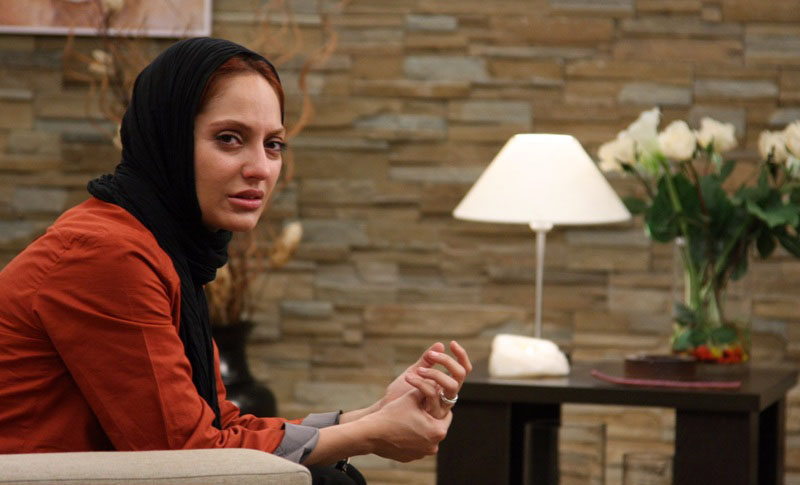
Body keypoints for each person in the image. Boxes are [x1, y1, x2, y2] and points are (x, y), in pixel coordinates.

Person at [0, 37, 472, 483]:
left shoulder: (159, 247)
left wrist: (374, 414)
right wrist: (370, 435)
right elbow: (187, 455)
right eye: (229, 138)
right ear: (167, 140)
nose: (260, 168)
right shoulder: (106, 254)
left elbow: (216, 426)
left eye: (273, 144)